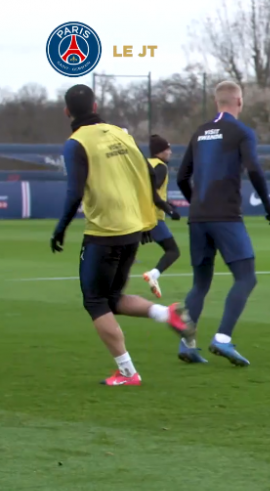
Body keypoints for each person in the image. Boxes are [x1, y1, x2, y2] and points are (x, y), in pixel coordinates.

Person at [49, 84, 194, 387]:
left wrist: (60, 228)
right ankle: (166, 314)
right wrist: (157, 210)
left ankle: (128, 372)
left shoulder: (76, 143)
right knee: (112, 298)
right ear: (96, 105)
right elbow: (145, 175)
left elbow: (75, 192)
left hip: (104, 233)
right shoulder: (121, 133)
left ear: (66, 112)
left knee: (94, 301)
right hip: (133, 230)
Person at [175, 80, 270, 366]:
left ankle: (187, 344)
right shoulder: (241, 132)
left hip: (198, 218)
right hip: (226, 216)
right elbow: (254, 169)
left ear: (216, 102)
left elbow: (181, 177)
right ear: (239, 102)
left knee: (200, 283)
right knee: (246, 277)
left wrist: (196, 202)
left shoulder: (199, 132)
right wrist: (268, 205)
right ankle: (222, 338)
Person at [142, 134, 182, 299]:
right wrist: (169, 210)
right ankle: (154, 274)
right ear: (160, 151)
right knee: (173, 251)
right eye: (167, 149)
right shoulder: (160, 167)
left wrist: (169, 205)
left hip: (140, 216)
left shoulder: (146, 163)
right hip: (152, 217)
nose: (170, 152)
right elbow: (151, 194)